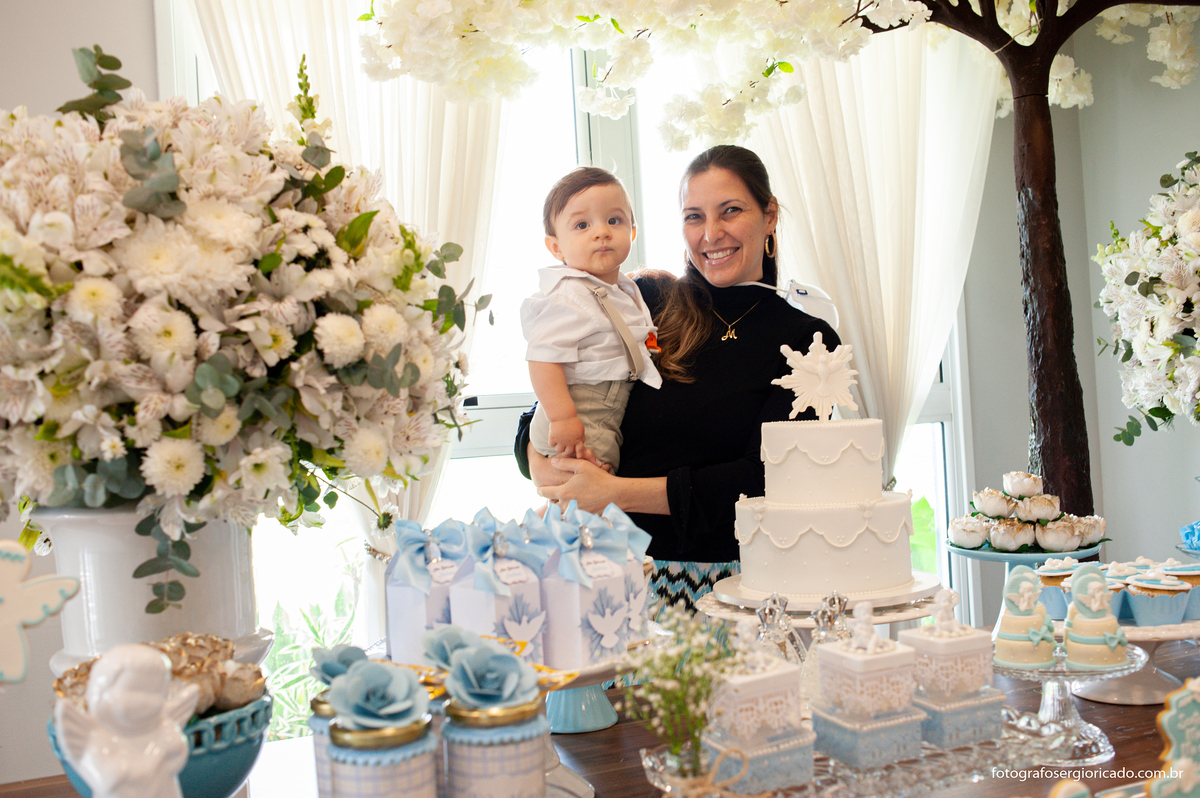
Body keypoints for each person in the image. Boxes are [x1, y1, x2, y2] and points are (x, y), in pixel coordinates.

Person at [515, 145, 839, 611]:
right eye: (694, 216)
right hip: (608, 578)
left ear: (769, 217)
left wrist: (615, 492)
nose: (711, 234)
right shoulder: (646, 302)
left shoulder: (809, 342)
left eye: (731, 211)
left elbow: (767, 478)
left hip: (736, 591)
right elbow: (558, 392)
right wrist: (545, 461)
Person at [521, 167, 662, 474]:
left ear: (633, 231)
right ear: (556, 247)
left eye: (614, 220)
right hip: (580, 409)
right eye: (582, 224)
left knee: (585, 496)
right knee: (591, 487)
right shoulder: (567, 295)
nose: (602, 231)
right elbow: (542, 358)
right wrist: (562, 417)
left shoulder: (624, 288)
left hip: (608, 405)